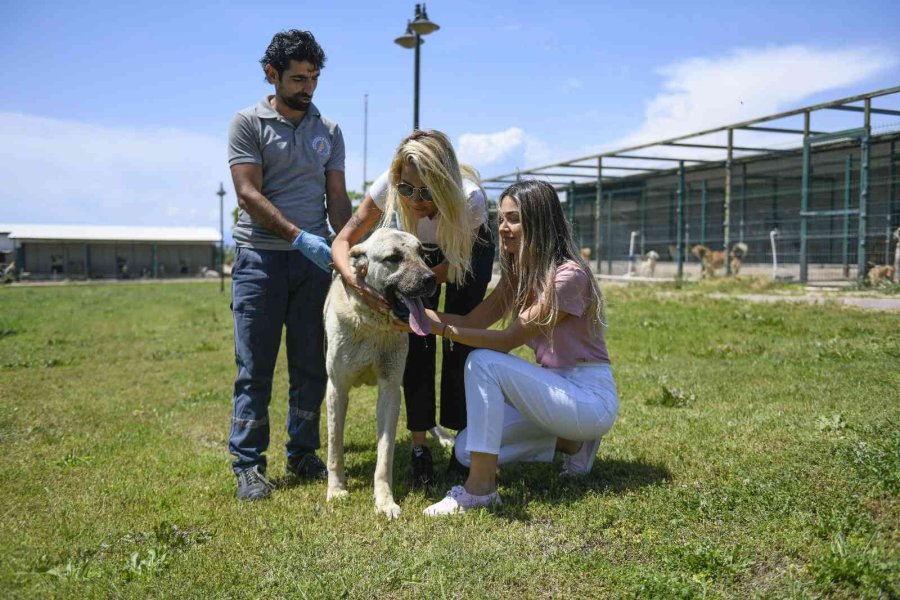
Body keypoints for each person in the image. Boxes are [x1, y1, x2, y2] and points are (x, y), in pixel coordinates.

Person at [412, 180, 618, 516]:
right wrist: (412, 313)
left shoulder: (569, 276)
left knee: (483, 362)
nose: (504, 228)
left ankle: (480, 490)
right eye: (501, 219)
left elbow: (509, 339)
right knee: (466, 449)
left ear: (540, 220)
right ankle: (570, 443)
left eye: (515, 219)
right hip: (557, 392)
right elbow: (475, 322)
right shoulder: (518, 277)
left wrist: (432, 325)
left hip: (588, 398)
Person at [227, 29, 352, 501]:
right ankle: (248, 464)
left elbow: (337, 200)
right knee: (254, 366)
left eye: (314, 78)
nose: (307, 87)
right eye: (298, 78)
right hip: (261, 259)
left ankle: (302, 453)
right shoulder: (248, 123)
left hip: (314, 267)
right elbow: (248, 193)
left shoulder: (329, 131)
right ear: (271, 74)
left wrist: (344, 249)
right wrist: (299, 237)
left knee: (310, 363)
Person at [331, 129, 494, 487]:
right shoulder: (387, 188)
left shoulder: (471, 201)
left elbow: (454, 266)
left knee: (460, 341)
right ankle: (420, 447)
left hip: (462, 253)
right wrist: (353, 279)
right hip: (414, 255)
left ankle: (463, 440)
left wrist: (423, 280)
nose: (415, 199)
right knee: (415, 338)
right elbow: (343, 241)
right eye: (407, 189)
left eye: (427, 191)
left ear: (445, 184)